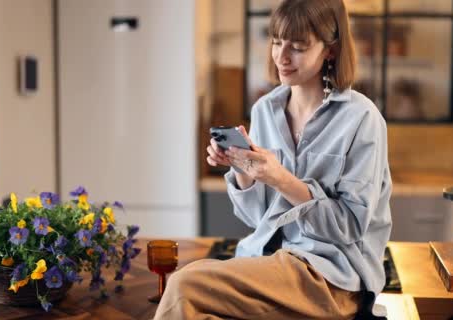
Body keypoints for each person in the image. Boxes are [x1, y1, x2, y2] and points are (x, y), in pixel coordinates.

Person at [153, 0, 392, 319]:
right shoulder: (265, 110)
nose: (281, 56)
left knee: (185, 285)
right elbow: (259, 219)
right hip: (269, 265)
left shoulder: (362, 119)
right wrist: (245, 172)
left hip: (332, 279)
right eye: (277, 42)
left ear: (329, 51)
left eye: (298, 47)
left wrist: (280, 178)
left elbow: (349, 226)